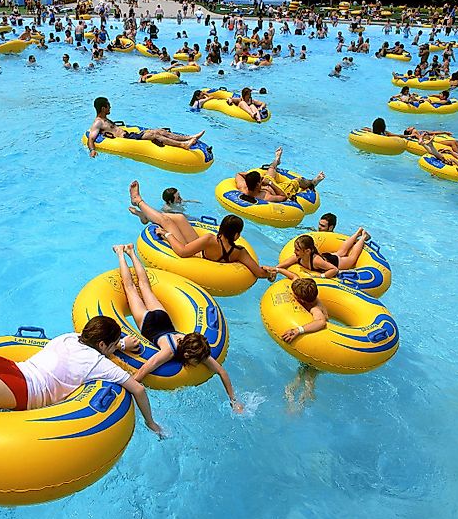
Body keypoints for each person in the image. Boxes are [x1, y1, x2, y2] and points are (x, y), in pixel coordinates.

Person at [0, 289, 162, 434]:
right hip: (16, 389)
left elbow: (98, 347)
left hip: (4, 365)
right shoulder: (98, 363)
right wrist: (151, 423)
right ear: (103, 346)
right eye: (114, 345)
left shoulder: (70, 338)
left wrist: (122, 344)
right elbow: (138, 389)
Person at [113, 245, 243, 412]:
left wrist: (233, 400)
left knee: (144, 286)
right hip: (149, 322)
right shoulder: (168, 351)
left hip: (163, 318)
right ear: (187, 355)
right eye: (197, 362)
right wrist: (129, 389)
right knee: (131, 288)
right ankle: (121, 253)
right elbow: (145, 369)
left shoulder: (195, 345)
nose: (200, 363)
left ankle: (130, 251)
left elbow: (222, 372)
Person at [128, 181, 276, 282]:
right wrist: (269, 272)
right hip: (200, 250)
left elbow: (183, 252)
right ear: (237, 235)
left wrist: (167, 235)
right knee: (179, 217)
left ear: (222, 229)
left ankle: (138, 201)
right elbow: (259, 273)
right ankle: (145, 215)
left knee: (166, 222)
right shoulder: (240, 251)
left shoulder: (210, 239)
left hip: (194, 254)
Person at [87, 97, 204, 158]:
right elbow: (91, 138)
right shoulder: (98, 122)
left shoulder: (105, 119)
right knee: (154, 135)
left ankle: (189, 137)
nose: (110, 108)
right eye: (108, 107)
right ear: (103, 108)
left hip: (129, 134)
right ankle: (183, 145)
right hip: (127, 139)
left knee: (160, 131)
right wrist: (92, 151)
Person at [235, 147, 324, 203]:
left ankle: (277, 160)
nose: (262, 178)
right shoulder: (265, 197)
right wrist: (270, 183)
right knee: (298, 180)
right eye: (260, 179)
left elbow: (239, 174)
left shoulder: (243, 187)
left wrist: (251, 178)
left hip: (267, 184)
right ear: (258, 183)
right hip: (280, 189)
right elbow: (283, 197)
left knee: (271, 168)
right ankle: (313, 182)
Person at [275, 230, 369, 281]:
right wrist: (275, 269)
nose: (294, 251)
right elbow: (285, 263)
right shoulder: (298, 257)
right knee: (341, 251)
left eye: (297, 250)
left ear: (307, 251)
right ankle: (357, 233)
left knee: (351, 258)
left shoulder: (316, 261)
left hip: (335, 262)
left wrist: (322, 277)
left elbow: (334, 269)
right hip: (325, 258)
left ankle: (363, 236)